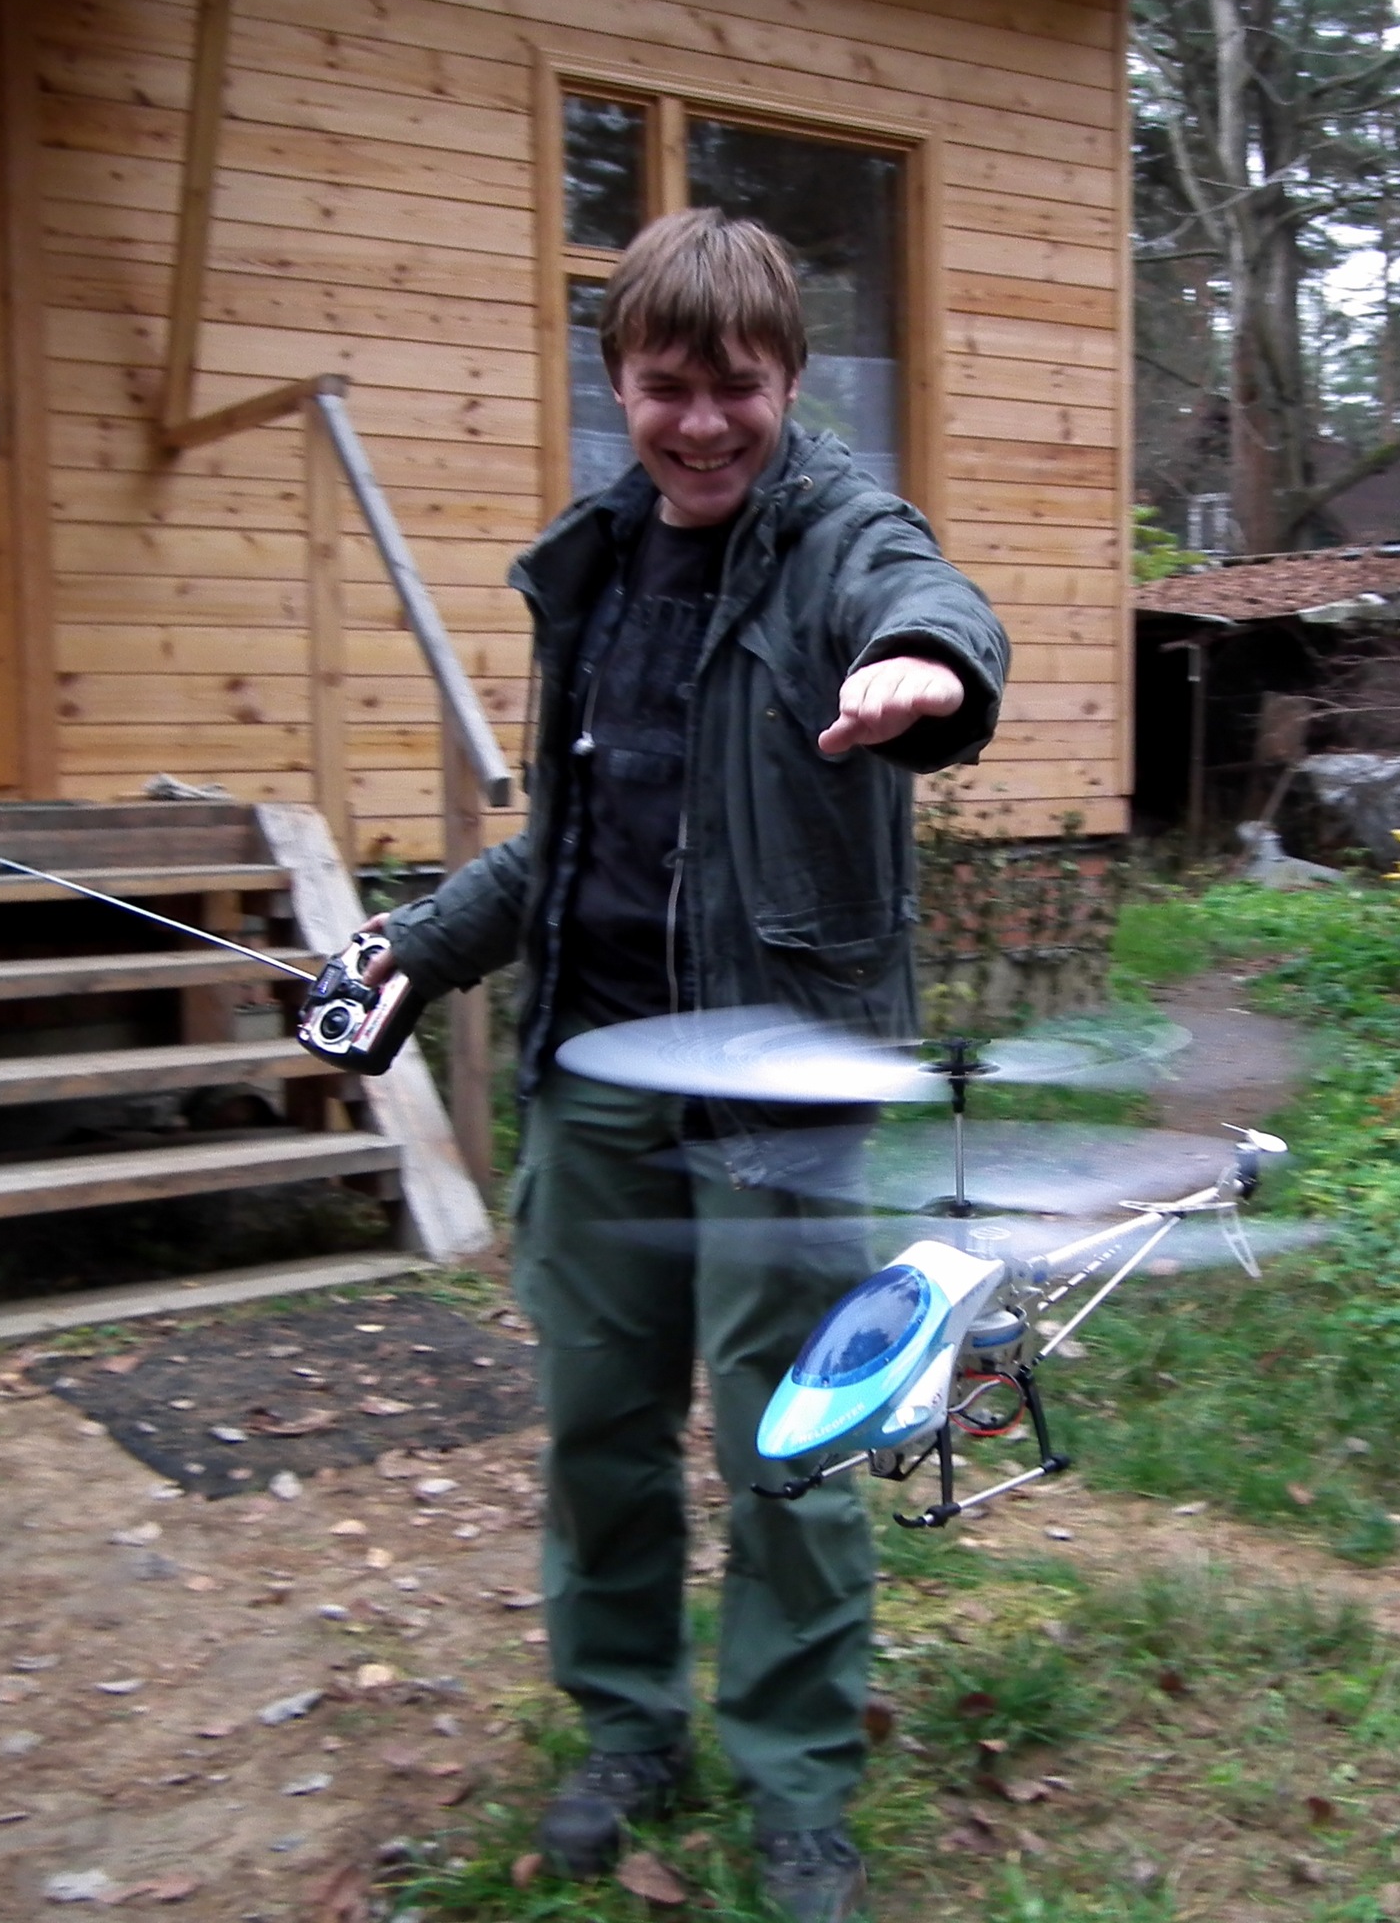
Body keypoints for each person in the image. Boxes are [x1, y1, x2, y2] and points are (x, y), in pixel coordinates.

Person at [366, 207, 1009, 1923]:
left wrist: (924, 665)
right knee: (600, 1424)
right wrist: (418, 950)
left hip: (779, 1088)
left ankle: (795, 1780)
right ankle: (628, 1730)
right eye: (666, 388)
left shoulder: (839, 537)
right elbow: (569, 843)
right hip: (596, 1072)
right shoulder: (594, 569)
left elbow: (928, 597)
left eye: (738, 387)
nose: (702, 423)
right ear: (620, 389)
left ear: (787, 383)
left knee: (789, 1442)